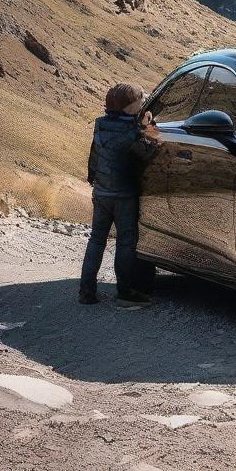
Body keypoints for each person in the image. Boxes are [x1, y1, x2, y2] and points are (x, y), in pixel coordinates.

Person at [79, 82, 158, 305]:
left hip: (102, 192)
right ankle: (124, 291)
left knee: (96, 240)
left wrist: (94, 179)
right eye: (140, 102)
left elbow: (94, 158)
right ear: (130, 108)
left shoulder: (101, 126)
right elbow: (147, 154)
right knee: (125, 242)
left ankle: (86, 291)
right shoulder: (133, 131)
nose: (142, 104)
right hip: (124, 195)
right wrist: (149, 129)